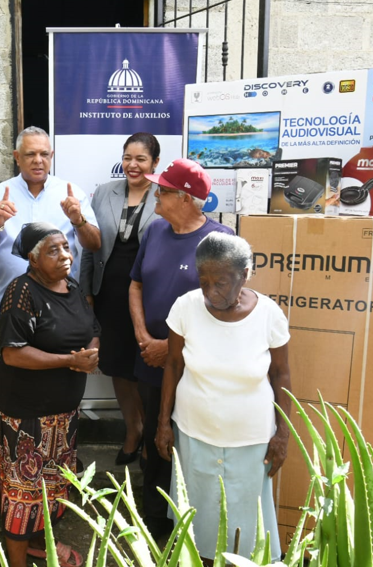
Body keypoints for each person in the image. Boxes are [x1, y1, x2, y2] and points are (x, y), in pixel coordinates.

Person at [156, 232, 292, 564]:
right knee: (199, 510)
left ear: (245, 274)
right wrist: (163, 424)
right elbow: (173, 365)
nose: (212, 292)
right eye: (204, 282)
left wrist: (283, 434)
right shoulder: (185, 308)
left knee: (248, 514)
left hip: (252, 439)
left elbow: (281, 375)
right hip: (193, 431)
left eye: (222, 282)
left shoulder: (269, 314)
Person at [129, 158, 234, 538]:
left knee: (187, 440)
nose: (156, 193)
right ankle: (154, 519)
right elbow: (136, 284)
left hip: (193, 366)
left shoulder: (220, 243)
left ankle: (193, 522)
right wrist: (142, 335)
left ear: (187, 199)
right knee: (154, 437)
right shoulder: (156, 230)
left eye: (164, 189)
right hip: (150, 359)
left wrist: (170, 349)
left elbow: (224, 310)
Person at [0, 222, 100, 567]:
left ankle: (41, 545)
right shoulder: (21, 292)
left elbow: (92, 327)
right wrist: (71, 361)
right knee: (23, 493)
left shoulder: (70, 285)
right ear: (33, 259)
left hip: (64, 414)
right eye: (53, 250)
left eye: (65, 247)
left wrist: (91, 354)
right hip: (27, 415)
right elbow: (13, 352)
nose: (65, 255)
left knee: (52, 486)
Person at [80, 132, 161, 465]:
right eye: (128, 158)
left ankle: (152, 434)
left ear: (155, 163)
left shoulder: (166, 195)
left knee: (144, 368)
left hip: (150, 295)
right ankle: (133, 429)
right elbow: (90, 246)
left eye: (141, 159)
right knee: (117, 367)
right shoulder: (103, 193)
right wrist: (86, 292)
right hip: (109, 294)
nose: (133, 165)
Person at [0, 126, 101, 313]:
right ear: (17, 157)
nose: (38, 161)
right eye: (30, 154)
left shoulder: (72, 195)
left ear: (52, 155)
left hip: (63, 306)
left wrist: (78, 220)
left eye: (44, 154)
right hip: (14, 307)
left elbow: (94, 244)